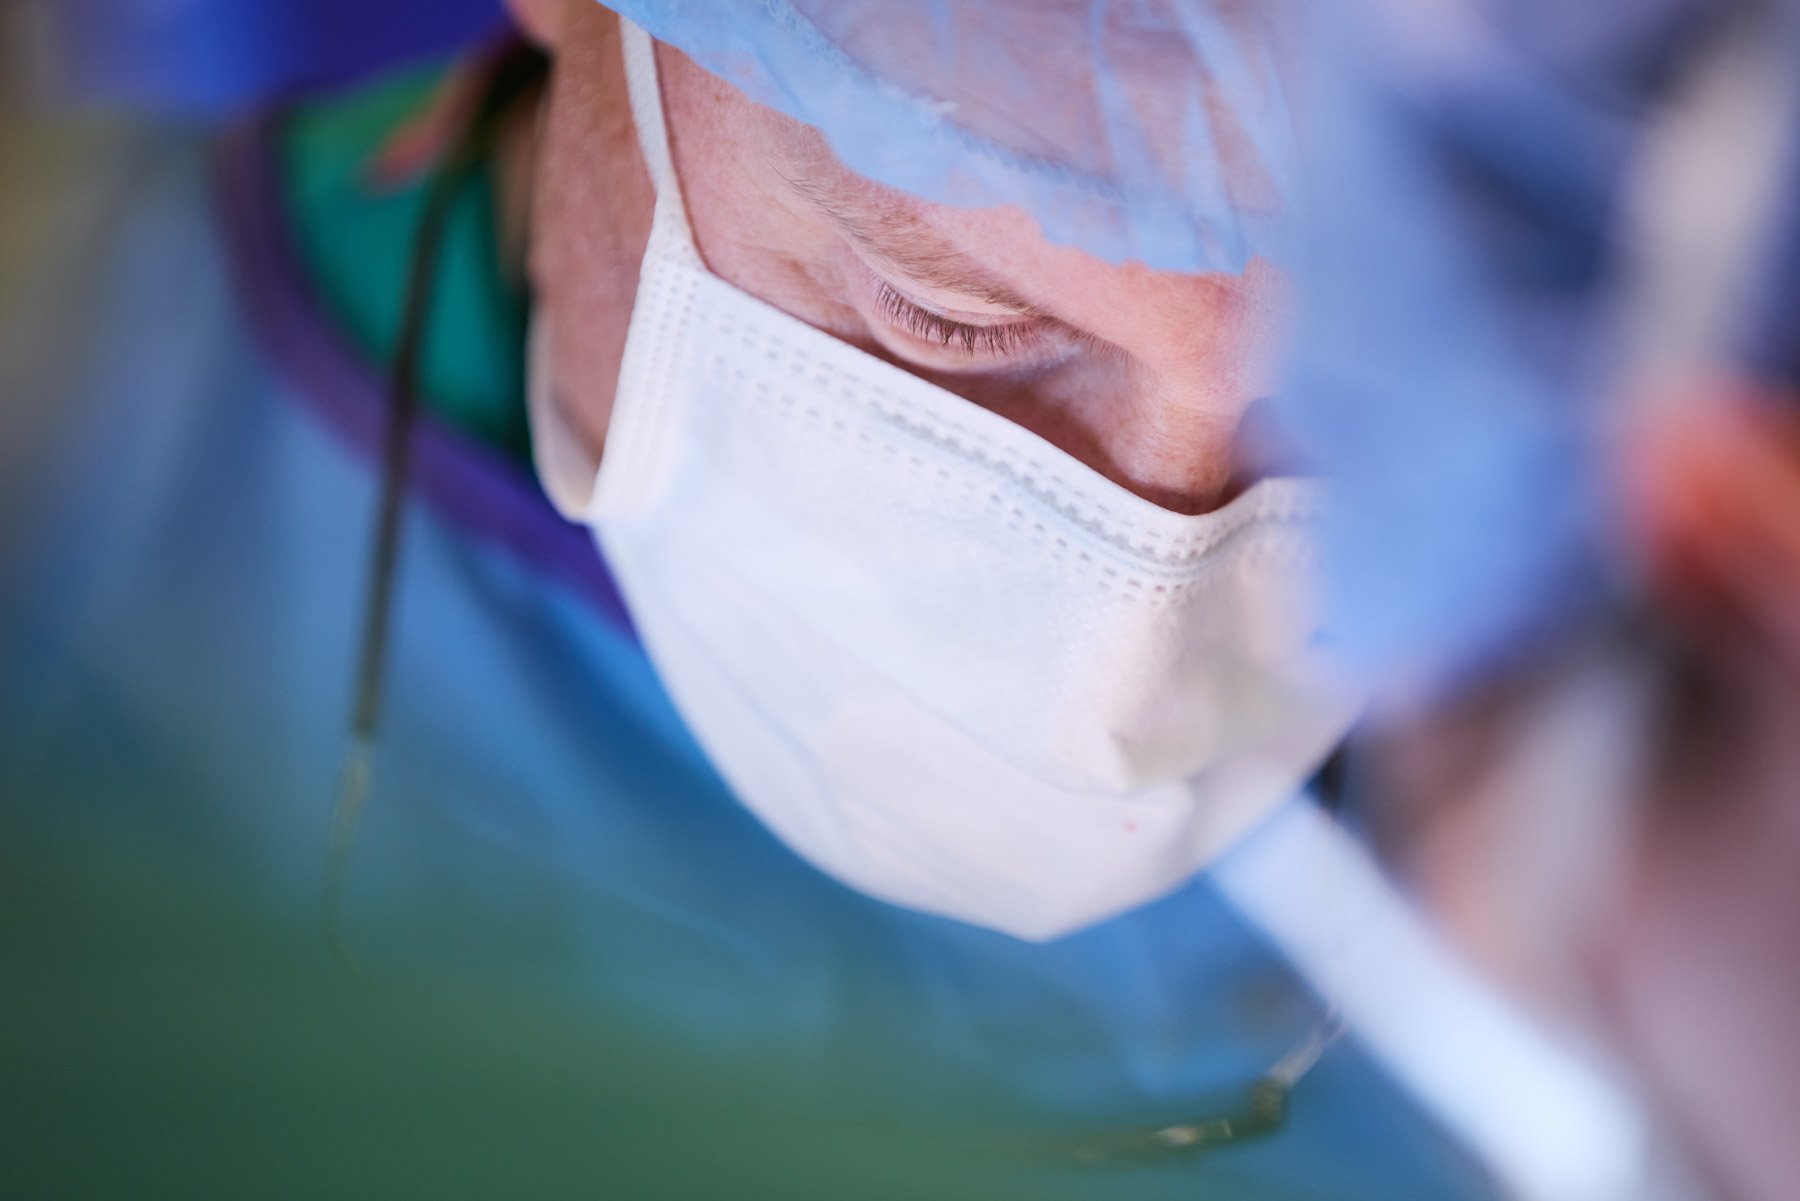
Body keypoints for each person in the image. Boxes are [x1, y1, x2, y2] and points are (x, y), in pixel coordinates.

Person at [0, 2, 1610, 1197]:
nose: (1134, 666)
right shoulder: (80, 444)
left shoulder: (1628, 704)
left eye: (1354, 402)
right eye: (955, 320)